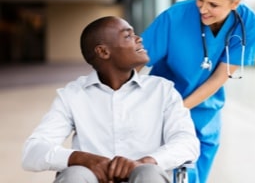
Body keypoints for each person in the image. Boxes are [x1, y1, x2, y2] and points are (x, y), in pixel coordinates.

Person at [22, 16, 200, 183]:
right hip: (93, 179)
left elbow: (187, 143)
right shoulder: (72, 95)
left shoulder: (162, 90)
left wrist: (146, 161)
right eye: (128, 36)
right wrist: (82, 158)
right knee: (74, 173)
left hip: (145, 178)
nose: (139, 39)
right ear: (103, 51)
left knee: (148, 172)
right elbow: (32, 152)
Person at [140, 0, 255, 183]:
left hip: (205, 109)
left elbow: (219, 77)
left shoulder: (249, 23)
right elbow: (135, 61)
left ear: (235, 3)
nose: (203, 9)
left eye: (213, 5)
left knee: (195, 175)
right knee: (160, 171)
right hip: (162, 105)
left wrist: (181, 108)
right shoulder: (174, 17)